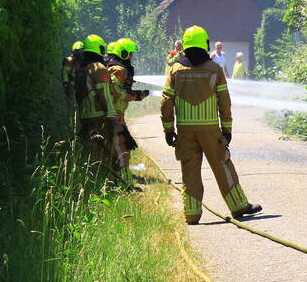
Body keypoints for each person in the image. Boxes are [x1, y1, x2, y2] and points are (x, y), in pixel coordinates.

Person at [161, 26, 262, 224]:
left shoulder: (175, 69)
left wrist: (168, 129)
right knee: (222, 166)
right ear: (205, 44)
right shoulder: (214, 69)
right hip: (210, 130)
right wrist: (227, 129)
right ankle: (239, 206)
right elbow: (224, 101)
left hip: (184, 131)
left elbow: (166, 101)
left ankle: (192, 214)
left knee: (189, 171)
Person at [106, 38, 149, 186]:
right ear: (123, 53)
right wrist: (136, 96)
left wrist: (136, 95)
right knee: (122, 146)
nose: (132, 57)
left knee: (120, 146)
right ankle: (125, 182)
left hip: (117, 113)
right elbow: (114, 91)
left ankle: (120, 178)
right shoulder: (119, 70)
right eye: (130, 54)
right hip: (114, 114)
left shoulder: (120, 69)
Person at [78, 34, 118, 175]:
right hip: (99, 117)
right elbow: (104, 95)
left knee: (90, 152)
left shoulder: (81, 69)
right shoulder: (99, 68)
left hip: (84, 117)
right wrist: (112, 116)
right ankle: (109, 181)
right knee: (107, 152)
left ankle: (92, 178)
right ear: (99, 49)